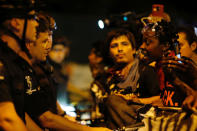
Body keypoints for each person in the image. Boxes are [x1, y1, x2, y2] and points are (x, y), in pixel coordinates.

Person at [24, 11, 111, 131]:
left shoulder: (45, 67)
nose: (48, 46)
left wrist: (64, 115)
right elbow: (44, 118)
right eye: (44, 41)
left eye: (50, 39)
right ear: (29, 43)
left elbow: (49, 101)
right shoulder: (24, 70)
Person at [102, 28, 160, 129]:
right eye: (114, 46)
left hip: (145, 123)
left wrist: (138, 100)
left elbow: (162, 99)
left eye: (124, 44)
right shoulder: (111, 78)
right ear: (109, 53)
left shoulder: (145, 71)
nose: (119, 49)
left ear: (134, 49)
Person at [0, 0, 39, 130]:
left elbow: (21, 116)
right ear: (16, 23)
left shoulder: (14, 62)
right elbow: (7, 119)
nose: (37, 24)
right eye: (33, 18)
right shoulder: (2, 62)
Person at [48, 35, 71, 108]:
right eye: (55, 50)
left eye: (61, 50)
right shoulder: (48, 70)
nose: (59, 54)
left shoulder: (62, 69)